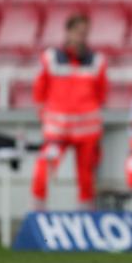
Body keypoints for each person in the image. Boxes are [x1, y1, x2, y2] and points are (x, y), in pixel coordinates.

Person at [31, 14, 108, 210]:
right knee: (43, 171)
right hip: (57, 130)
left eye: (85, 33)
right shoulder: (50, 58)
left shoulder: (97, 61)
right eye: (77, 32)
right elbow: (39, 91)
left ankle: (85, 219)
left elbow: (101, 94)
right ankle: (37, 215)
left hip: (87, 131)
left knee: (86, 178)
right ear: (68, 32)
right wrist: (45, 118)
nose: (81, 37)